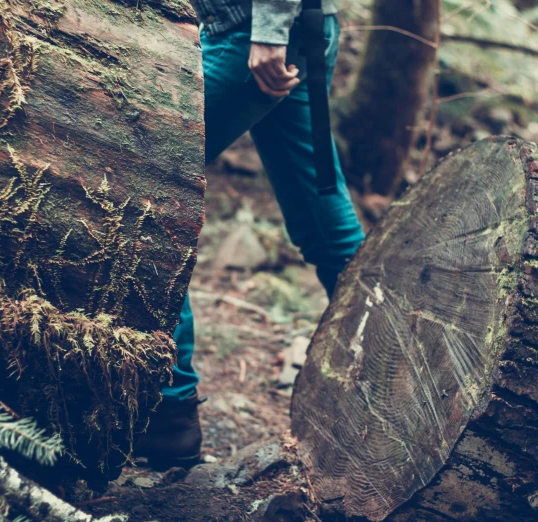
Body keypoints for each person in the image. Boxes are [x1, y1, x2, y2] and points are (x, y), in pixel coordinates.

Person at [136, 0, 365, 471]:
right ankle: (391, 378)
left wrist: (269, 32)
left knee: (142, 180)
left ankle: (167, 408)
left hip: (260, 40)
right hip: (300, 30)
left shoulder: (263, 36)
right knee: (323, 216)